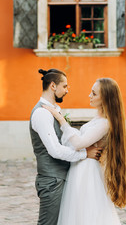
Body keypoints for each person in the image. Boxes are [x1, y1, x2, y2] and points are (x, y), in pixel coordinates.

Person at [43, 77, 126, 225]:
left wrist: (61, 120)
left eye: (94, 93)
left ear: (105, 99)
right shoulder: (98, 118)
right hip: (81, 167)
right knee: (78, 212)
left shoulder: (105, 123)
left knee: (87, 212)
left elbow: (79, 144)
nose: (90, 96)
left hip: (87, 171)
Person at [29, 68, 102, 225]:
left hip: (59, 178)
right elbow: (55, 150)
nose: (67, 90)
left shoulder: (54, 111)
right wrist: (85, 154)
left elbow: (65, 141)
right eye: (65, 86)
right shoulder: (42, 114)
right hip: (51, 181)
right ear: (53, 86)